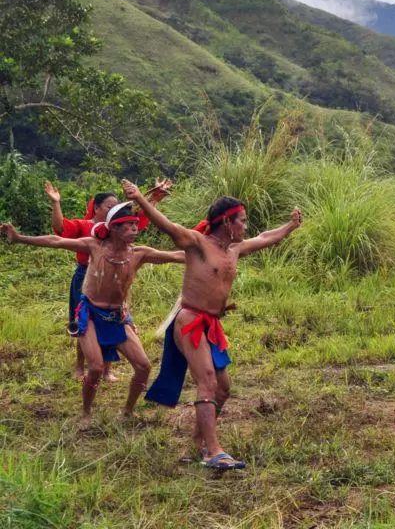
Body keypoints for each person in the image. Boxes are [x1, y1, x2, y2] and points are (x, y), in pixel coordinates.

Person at [130, 180, 302, 470]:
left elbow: (265, 237)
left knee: (223, 388)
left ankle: (198, 444)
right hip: (190, 321)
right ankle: (213, 451)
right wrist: (140, 198)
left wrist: (290, 226)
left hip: (212, 325)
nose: (245, 227)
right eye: (242, 221)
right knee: (207, 382)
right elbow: (169, 226)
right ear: (227, 221)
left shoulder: (233, 250)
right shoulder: (198, 245)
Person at [2, 203, 184, 420]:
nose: (135, 229)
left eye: (136, 225)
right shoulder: (94, 246)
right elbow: (57, 241)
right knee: (96, 368)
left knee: (144, 366)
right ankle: (86, 413)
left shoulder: (140, 253)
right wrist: (20, 238)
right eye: (128, 226)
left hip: (117, 318)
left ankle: (128, 411)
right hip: (90, 315)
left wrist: (211, 249)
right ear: (114, 229)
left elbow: (177, 255)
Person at [46, 179, 171, 382]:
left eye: (115, 206)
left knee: (112, 320)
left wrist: (154, 198)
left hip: (113, 279)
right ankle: (80, 367)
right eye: (109, 206)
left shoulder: (117, 228)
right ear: (96, 208)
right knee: (83, 323)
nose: (114, 209)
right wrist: (55, 202)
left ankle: (106, 369)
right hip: (85, 278)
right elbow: (60, 229)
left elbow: (140, 217)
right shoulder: (85, 226)